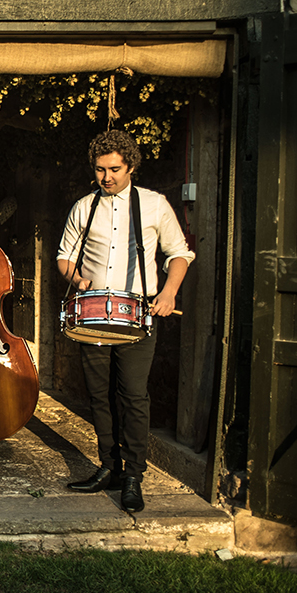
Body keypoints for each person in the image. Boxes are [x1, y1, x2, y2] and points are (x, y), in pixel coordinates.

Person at [56, 129, 194, 513]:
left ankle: (133, 475)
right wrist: (78, 279)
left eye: (114, 169)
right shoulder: (84, 207)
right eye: (100, 170)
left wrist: (168, 294)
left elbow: (179, 253)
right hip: (93, 316)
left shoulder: (154, 205)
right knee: (100, 396)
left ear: (130, 165)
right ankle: (108, 466)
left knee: (133, 396)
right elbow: (64, 256)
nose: (107, 177)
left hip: (138, 317)